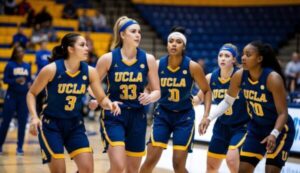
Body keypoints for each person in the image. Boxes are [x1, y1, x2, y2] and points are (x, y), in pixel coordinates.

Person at [26, 33, 121, 173]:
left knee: (87, 170)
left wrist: (110, 104)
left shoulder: (90, 72)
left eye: (86, 45)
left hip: (75, 125)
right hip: (51, 125)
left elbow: (101, 98)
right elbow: (31, 94)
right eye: (82, 45)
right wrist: (34, 117)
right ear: (70, 49)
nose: (87, 48)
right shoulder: (51, 70)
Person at [201, 41, 295, 173]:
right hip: (256, 128)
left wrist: (274, 134)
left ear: (259, 59)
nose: (243, 57)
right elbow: (227, 101)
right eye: (243, 54)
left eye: (248, 55)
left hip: (279, 130)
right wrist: (209, 118)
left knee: (271, 170)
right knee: (243, 170)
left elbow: (283, 113)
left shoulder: (272, 78)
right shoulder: (240, 76)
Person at [91, 16, 160, 173]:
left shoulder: (148, 59)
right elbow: (91, 84)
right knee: (118, 166)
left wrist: (150, 96)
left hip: (138, 116)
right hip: (114, 115)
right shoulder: (108, 58)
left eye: (139, 32)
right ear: (122, 35)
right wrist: (101, 99)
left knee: (132, 170)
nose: (138, 35)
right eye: (133, 31)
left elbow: (157, 91)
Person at [140, 27, 212, 173]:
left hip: (184, 117)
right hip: (163, 115)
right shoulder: (158, 64)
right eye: (171, 41)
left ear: (183, 46)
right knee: (149, 161)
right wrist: (146, 95)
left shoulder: (193, 66)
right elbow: (148, 88)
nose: (174, 44)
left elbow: (206, 90)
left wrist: (205, 116)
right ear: (167, 45)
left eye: (178, 42)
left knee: (178, 165)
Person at [198, 43, 250, 173]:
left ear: (233, 60)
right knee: (211, 166)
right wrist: (185, 99)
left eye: (227, 56)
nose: (223, 58)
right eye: (220, 55)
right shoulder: (210, 77)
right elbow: (199, 98)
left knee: (232, 161)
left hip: (241, 125)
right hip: (222, 126)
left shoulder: (242, 76)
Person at [0, 46, 31, 155]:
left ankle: (20, 147)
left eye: (22, 51)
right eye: (19, 51)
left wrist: (30, 85)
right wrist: (15, 80)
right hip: (11, 96)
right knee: (6, 122)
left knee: (22, 122)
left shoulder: (27, 66)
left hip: (23, 98)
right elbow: (5, 80)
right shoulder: (10, 65)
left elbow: (29, 80)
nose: (21, 53)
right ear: (15, 53)